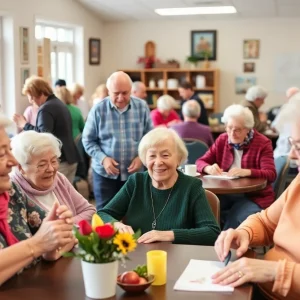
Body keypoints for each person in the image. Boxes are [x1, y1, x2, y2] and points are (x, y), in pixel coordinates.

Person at [212, 96, 300, 300]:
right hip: (260, 288)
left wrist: (275, 271)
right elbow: (267, 222)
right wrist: (244, 233)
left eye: (299, 146)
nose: (292, 156)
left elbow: (269, 174)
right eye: (292, 144)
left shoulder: (262, 143)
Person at [98, 127, 220, 245]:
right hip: (137, 258)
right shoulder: (136, 182)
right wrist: (116, 224)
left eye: (165, 155)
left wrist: (169, 235)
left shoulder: (192, 187)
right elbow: (102, 214)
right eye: (152, 156)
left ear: (178, 159)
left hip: (178, 260)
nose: (158, 162)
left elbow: (212, 232)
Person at [0, 114, 75, 285]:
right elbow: (41, 242)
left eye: (9, 151)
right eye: (1, 154)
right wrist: (37, 245)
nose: (13, 161)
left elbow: (62, 235)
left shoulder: (11, 191)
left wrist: (51, 249)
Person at [196, 104, 276, 229]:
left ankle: (224, 246)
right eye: (229, 128)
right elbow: (200, 161)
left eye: (237, 129)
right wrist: (208, 168)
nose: (232, 133)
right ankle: (208, 244)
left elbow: (270, 174)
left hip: (254, 196)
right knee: (204, 209)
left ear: (248, 129)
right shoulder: (223, 139)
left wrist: (247, 172)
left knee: (234, 219)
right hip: (225, 193)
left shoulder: (263, 143)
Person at [82, 71, 153, 211]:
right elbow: (88, 141)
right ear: (108, 91)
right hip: (105, 174)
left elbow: (150, 138)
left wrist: (141, 158)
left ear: (131, 90)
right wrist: (103, 159)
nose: (120, 98)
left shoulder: (142, 107)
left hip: (135, 174)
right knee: (106, 214)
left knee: (136, 213)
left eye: (125, 93)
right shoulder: (98, 110)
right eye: (116, 93)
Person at [10, 131, 95, 223]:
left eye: (54, 161)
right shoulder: (13, 191)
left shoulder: (58, 178)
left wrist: (68, 224)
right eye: (42, 165)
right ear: (21, 167)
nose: (51, 169)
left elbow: (89, 211)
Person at [13, 76, 79, 184]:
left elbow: (43, 136)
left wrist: (24, 124)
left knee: (57, 196)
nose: (30, 100)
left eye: (30, 96)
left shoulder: (46, 108)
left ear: (37, 93)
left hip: (60, 160)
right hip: (71, 157)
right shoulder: (59, 103)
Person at [273, 87, 299, 158]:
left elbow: (274, 127)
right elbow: (275, 126)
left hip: (282, 154)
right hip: (280, 153)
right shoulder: (286, 109)